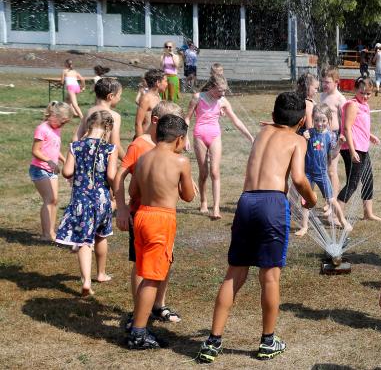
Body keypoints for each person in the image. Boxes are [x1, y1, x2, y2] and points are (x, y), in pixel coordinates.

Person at [196, 92, 318, 363]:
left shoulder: (263, 132)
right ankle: (267, 341)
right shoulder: (298, 140)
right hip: (272, 203)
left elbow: (274, 126)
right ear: (301, 121)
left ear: (273, 117)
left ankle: (213, 341)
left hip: (246, 201)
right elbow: (298, 178)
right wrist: (311, 198)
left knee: (234, 274)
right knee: (270, 277)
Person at [126, 114, 194, 349]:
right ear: (179, 139)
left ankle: (138, 324)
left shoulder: (144, 158)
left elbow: (133, 190)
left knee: (144, 271)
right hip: (161, 219)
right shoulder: (181, 162)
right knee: (153, 278)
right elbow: (189, 196)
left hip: (142, 215)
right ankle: (138, 332)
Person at [115, 101, 184, 330]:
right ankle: (139, 315)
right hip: (144, 215)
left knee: (164, 261)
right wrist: (122, 207)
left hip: (163, 217)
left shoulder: (169, 147)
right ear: (156, 122)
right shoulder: (140, 145)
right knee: (142, 266)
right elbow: (120, 176)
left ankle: (157, 305)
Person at [55, 110, 117, 296]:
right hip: (102, 200)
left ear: (88, 126)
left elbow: (66, 172)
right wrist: (115, 192)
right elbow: (112, 176)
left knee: (84, 241)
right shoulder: (109, 149)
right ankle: (101, 273)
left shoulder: (75, 146)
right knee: (101, 235)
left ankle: (87, 281)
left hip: (81, 200)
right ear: (108, 129)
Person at [185, 74, 253, 220]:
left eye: (224, 91)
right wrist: (185, 137)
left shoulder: (222, 101)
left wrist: (250, 137)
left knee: (215, 172)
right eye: (219, 91)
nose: (222, 94)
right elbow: (187, 118)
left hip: (215, 135)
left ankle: (215, 208)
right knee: (203, 173)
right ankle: (203, 201)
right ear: (211, 87)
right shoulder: (198, 97)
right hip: (199, 136)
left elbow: (236, 121)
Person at [297, 104, 350, 235]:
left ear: (329, 120)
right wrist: (303, 138)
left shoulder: (331, 136)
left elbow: (333, 154)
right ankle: (304, 226)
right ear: (312, 119)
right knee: (305, 200)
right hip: (308, 173)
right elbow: (299, 146)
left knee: (331, 199)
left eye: (323, 120)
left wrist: (339, 144)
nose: (320, 123)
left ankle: (343, 221)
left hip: (321, 173)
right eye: (316, 120)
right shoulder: (309, 133)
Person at [337, 77, 381, 221]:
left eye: (368, 93)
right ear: (355, 90)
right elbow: (347, 128)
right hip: (353, 148)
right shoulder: (353, 105)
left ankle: (368, 213)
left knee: (368, 179)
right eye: (362, 92)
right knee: (353, 183)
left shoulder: (365, 105)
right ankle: (337, 215)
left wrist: (370, 136)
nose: (365, 96)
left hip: (361, 147)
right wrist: (352, 151)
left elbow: (359, 126)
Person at [30, 101, 72, 241]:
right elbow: (35, 151)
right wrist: (49, 161)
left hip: (51, 169)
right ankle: (46, 234)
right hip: (39, 169)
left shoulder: (56, 129)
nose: (62, 125)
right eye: (62, 122)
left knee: (54, 200)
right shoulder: (42, 129)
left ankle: (51, 231)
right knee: (49, 200)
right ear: (54, 115)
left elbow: (54, 148)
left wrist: (63, 160)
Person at [74, 78, 124, 161]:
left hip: (85, 159)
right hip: (101, 162)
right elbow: (116, 145)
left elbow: (76, 138)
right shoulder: (115, 116)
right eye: (119, 95)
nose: (120, 98)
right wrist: (128, 162)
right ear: (111, 96)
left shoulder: (89, 112)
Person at [320, 67, 347, 197]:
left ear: (337, 82)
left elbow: (345, 119)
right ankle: (329, 199)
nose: (324, 85)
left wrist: (342, 134)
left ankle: (334, 201)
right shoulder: (322, 95)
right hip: (323, 135)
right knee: (324, 170)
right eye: (323, 82)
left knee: (332, 170)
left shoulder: (340, 99)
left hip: (334, 136)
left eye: (327, 82)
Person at [135, 69, 168, 137]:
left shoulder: (158, 96)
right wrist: (140, 142)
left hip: (154, 137)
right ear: (158, 83)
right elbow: (138, 123)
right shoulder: (146, 98)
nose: (167, 84)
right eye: (165, 81)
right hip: (145, 136)